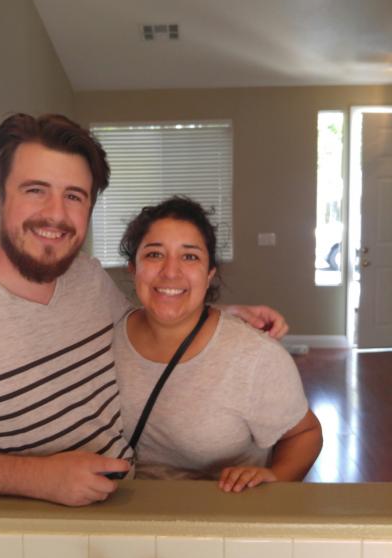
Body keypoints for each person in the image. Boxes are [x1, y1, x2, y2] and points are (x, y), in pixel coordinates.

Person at [0, 114, 288, 507]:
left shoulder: (86, 276)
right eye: (35, 190)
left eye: (74, 196)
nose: (56, 214)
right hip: (26, 534)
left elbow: (144, 321)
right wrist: (36, 477)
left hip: (125, 505)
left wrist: (212, 313)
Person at [114, 196, 322, 491]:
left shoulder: (255, 356)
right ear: (133, 268)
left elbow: (305, 434)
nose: (170, 271)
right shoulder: (106, 336)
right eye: (154, 254)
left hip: (221, 512)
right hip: (124, 510)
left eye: (190, 257)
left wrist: (277, 477)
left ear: (209, 274)